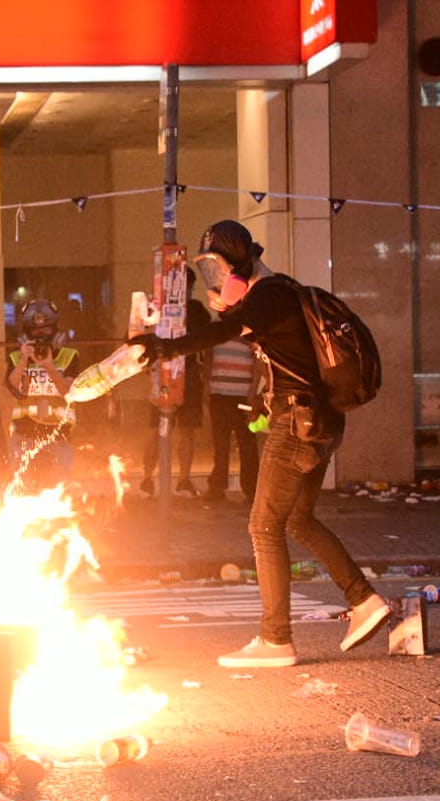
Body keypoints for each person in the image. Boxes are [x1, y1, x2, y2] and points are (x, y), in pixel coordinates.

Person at [133, 220, 389, 668]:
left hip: (299, 423)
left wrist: (161, 347)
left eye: (219, 268)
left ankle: (275, 640)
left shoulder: (269, 295)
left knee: (263, 526)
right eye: (208, 270)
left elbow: (218, 334)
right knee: (297, 520)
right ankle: (365, 602)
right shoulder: (279, 295)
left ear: (242, 264)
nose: (216, 280)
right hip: (316, 419)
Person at [5, 299, 82, 492]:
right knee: (20, 486)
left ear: (55, 329)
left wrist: (48, 365)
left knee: (60, 489)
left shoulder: (70, 356)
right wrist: (24, 360)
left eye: (46, 330)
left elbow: (68, 392)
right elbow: (11, 387)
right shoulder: (16, 357)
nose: (40, 336)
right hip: (24, 432)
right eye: (34, 331)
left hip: (59, 434)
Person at [140, 289, 208, 498]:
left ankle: (182, 479)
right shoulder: (155, 308)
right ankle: (148, 478)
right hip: (163, 374)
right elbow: (139, 337)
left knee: (184, 430)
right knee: (157, 429)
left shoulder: (195, 310)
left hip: (186, 375)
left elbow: (206, 338)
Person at [206, 335, 261, 503]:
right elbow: (209, 359)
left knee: (247, 444)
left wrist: (252, 394)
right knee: (220, 445)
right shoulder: (217, 331)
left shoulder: (250, 333)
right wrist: (206, 388)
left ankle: (252, 489)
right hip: (219, 394)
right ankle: (217, 488)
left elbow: (258, 364)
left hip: (243, 397)